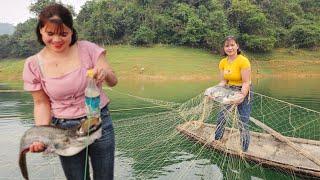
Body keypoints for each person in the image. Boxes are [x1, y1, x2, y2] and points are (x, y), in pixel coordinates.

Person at [22, 3, 117, 180]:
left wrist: (105, 73)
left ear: (72, 31)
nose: (57, 40)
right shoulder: (33, 64)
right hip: (63, 131)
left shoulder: (88, 49)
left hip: (98, 121)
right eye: (50, 33)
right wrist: (41, 136)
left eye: (63, 34)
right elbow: (41, 103)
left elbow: (114, 80)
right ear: (40, 31)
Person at [208, 36, 253, 152]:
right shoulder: (223, 62)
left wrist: (242, 96)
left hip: (244, 90)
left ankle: (244, 149)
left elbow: (246, 82)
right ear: (224, 48)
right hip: (228, 91)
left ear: (237, 46)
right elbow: (223, 81)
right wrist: (214, 91)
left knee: (243, 121)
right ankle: (217, 140)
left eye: (232, 45)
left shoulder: (243, 61)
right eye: (227, 46)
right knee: (221, 117)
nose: (230, 48)